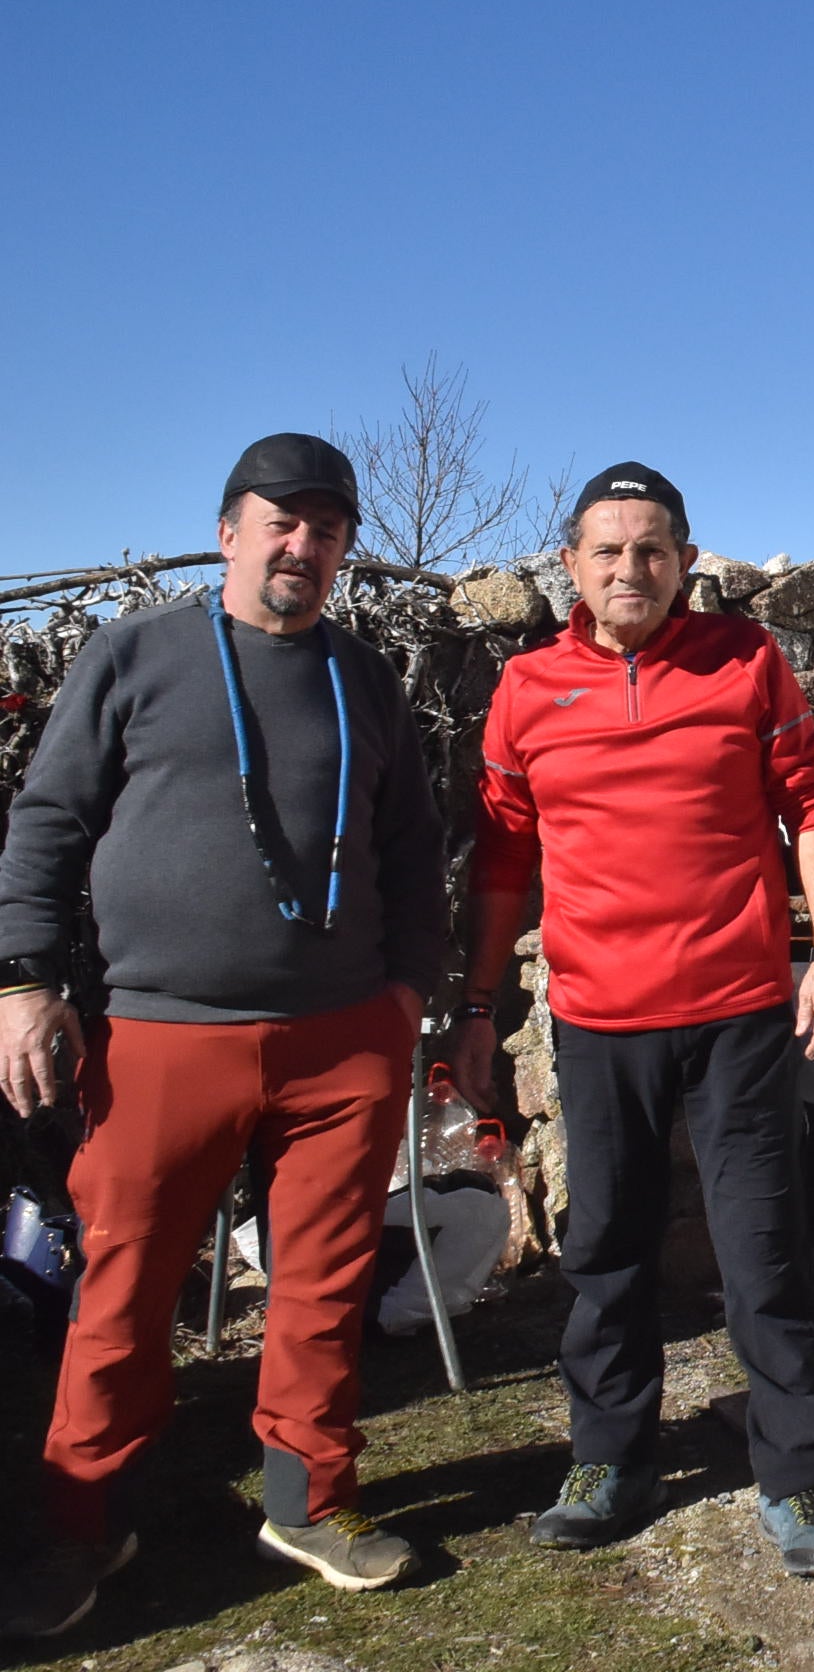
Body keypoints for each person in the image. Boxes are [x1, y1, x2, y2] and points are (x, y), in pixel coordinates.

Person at [0, 434, 448, 1632]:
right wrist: (23, 982)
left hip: (342, 1035)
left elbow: (412, 845)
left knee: (323, 1282)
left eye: (328, 526)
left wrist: (407, 992)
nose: (303, 544)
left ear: (347, 548)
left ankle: (310, 1497)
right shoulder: (135, 652)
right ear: (229, 530)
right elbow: (48, 817)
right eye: (280, 520)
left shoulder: (367, 677)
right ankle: (83, 1520)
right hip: (162, 1032)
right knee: (124, 1286)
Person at [464, 462, 814, 1579]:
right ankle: (610, 1457)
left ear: (686, 558)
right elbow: (501, 854)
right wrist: (473, 997)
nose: (630, 568)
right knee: (605, 1249)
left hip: (739, 1011)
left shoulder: (748, 659)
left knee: (763, 1249)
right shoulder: (526, 687)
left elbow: (811, 810)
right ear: (571, 565)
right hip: (598, 1018)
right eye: (608, 549)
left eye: (652, 548)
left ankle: (798, 1473)